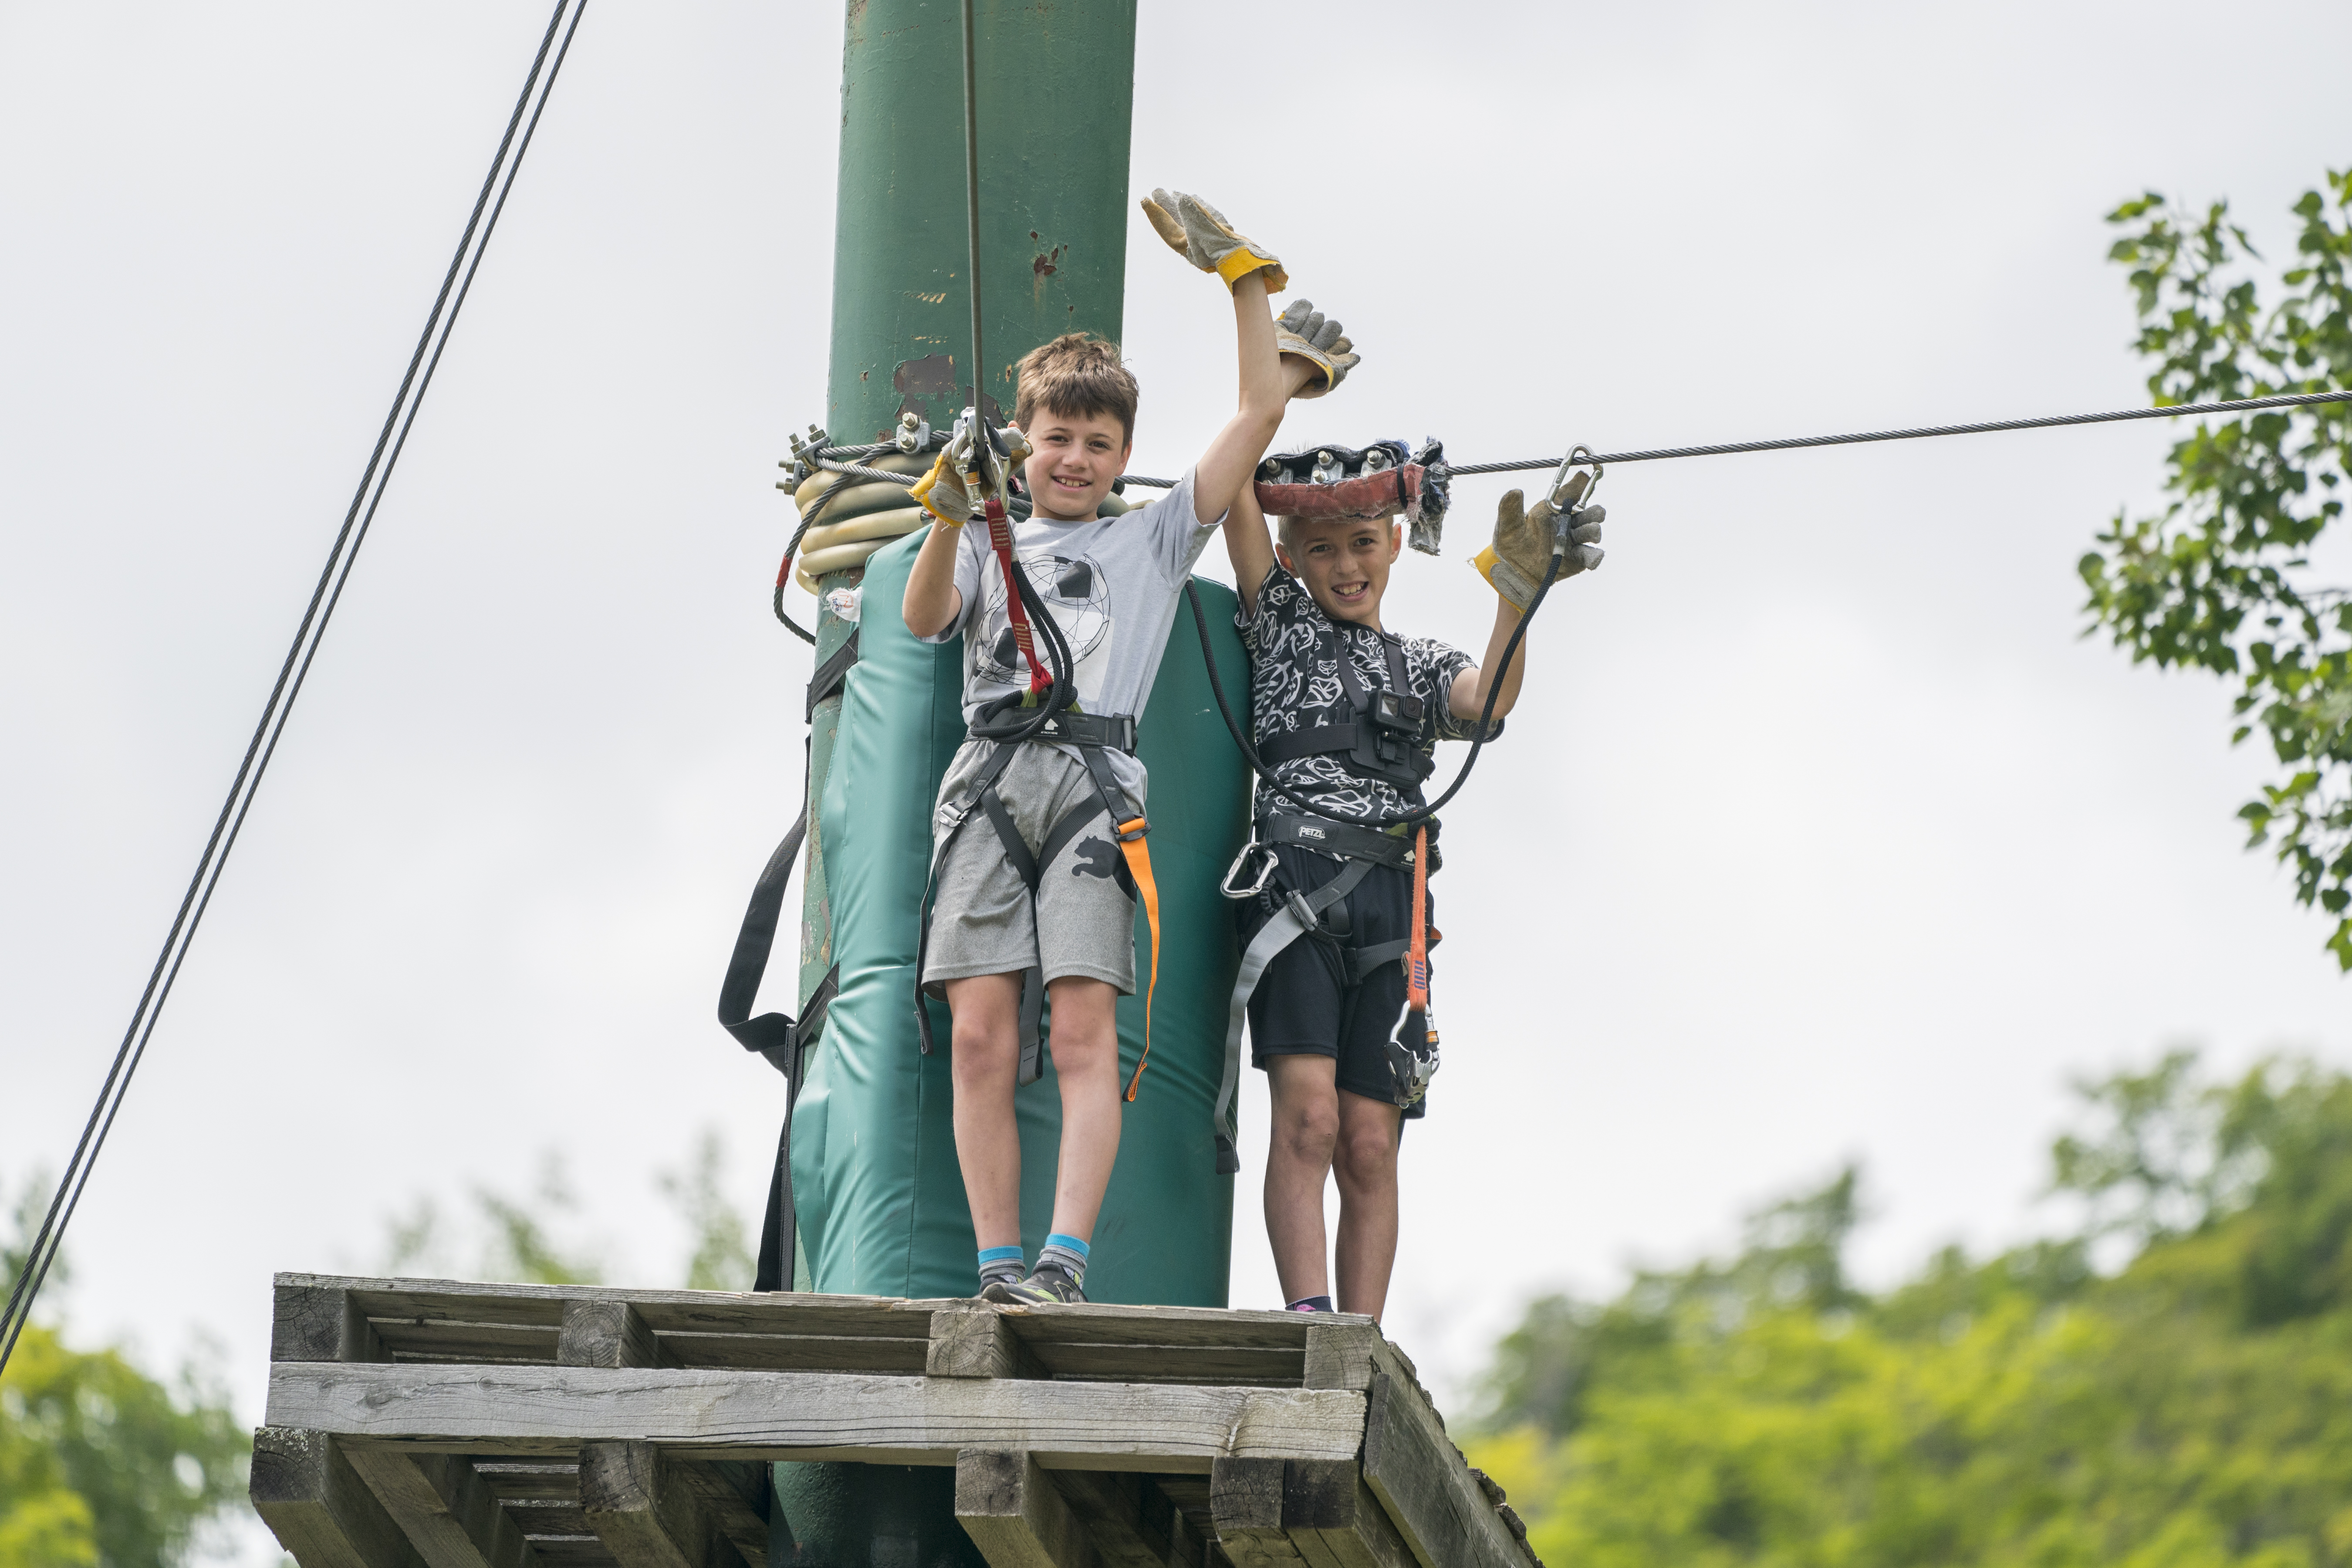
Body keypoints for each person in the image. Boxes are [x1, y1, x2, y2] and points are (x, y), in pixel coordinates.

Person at [900, 188, 1357, 1305]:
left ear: (1123, 457)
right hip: (990, 780)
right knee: (978, 1037)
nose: (1074, 459)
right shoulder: (986, 528)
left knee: (1082, 1031)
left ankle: (1065, 1263)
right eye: (1056, 438)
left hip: (1095, 791)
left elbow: (1255, 416)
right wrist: (953, 511)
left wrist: (1245, 284)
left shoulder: (1148, 543)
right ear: (1027, 440)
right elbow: (922, 622)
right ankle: (997, 1264)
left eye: (1098, 444)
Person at [1220, 469, 1605, 1320]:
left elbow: (1489, 700)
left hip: (1396, 903)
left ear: (1397, 544)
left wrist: (1517, 594)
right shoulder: (1282, 626)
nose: (1346, 567)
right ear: (1290, 558)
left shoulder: (1418, 664)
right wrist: (1276, 378)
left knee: (1368, 1143)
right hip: (1301, 886)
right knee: (1310, 1121)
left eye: (1364, 544)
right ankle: (1311, 1321)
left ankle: (1359, 1340)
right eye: (1322, 551)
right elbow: (1236, 489)